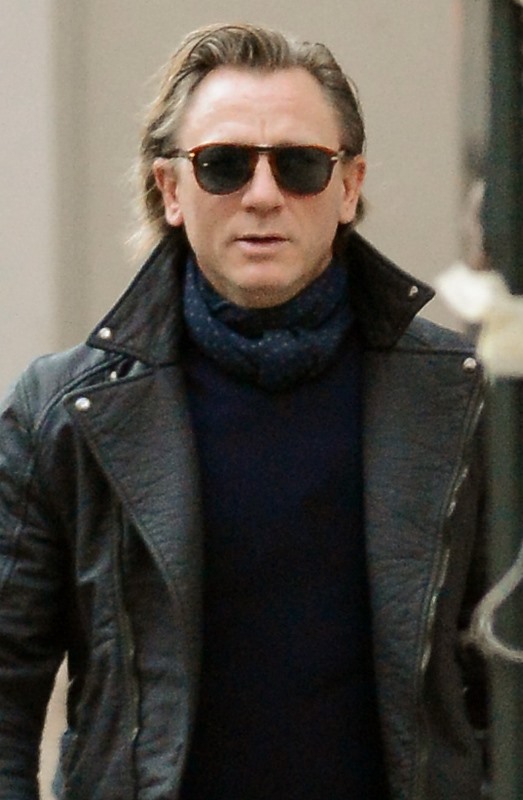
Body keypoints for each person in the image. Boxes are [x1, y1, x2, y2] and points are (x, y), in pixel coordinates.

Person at [0, 22, 487, 800]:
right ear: (171, 190)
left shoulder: (459, 400)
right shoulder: (63, 410)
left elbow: (501, 669)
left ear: (348, 186)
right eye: (222, 165)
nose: (262, 195)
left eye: (300, 165)